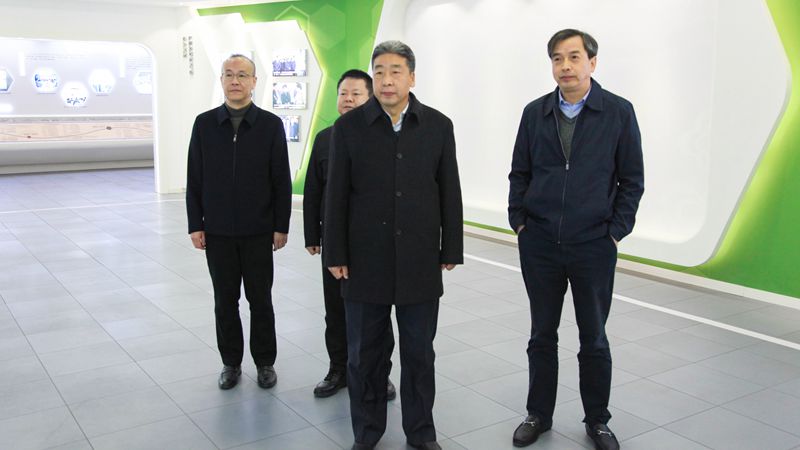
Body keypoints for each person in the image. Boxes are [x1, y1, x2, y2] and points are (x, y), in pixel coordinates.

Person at [507, 29, 644, 450]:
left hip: (593, 245)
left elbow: (632, 180)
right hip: (540, 243)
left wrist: (614, 232)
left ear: (592, 62)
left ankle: (597, 420)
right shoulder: (535, 113)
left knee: (594, 337)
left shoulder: (618, 112)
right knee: (541, 335)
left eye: (573, 57)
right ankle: (538, 414)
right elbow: (519, 173)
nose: (564, 66)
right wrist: (520, 223)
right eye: (557, 58)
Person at [324, 41, 463, 450]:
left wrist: (451, 247)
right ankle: (367, 432)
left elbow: (449, 190)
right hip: (364, 260)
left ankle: (421, 433)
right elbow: (336, 196)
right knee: (364, 354)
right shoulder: (349, 129)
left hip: (419, 258)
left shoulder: (438, 126)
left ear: (412, 78)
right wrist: (335, 253)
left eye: (396, 71)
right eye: (380, 71)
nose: (387, 80)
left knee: (419, 353)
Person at [186, 54, 292, 391]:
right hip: (217, 232)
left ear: (254, 82)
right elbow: (195, 178)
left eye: (243, 75)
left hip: (258, 231)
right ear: (221, 80)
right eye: (229, 74)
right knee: (225, 301)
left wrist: (281, 225)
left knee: (261, 300)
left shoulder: (270, 125)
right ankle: (230, 362)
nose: (235, 81)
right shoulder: (204, 124)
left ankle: (265, 362)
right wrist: (195, 223)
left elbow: (281, 179)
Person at [303, 69, 397, 400]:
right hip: (335, 241)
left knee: (376, 313)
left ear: (370, 99)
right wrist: (312, 235)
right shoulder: (324, 138)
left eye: (356, 94)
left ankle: (380, 374)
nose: (348, 100)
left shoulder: (385, 138)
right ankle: (338, 369)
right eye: (343, 93)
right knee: (335, 310)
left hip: (372, 244)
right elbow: (313, 190)